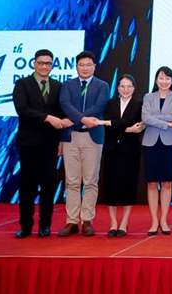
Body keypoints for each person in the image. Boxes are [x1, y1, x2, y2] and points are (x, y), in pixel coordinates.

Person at [13, 49, 72, 238]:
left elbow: (62, 113)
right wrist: (47, 118)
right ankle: (26, 226)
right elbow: (22, 109)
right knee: (27, 186)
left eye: (48, 63)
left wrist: (62, 138)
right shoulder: (23, 84)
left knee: (48, 186)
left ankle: (45, 225)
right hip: (28, 143)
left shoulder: (58, 86)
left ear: (52, 65)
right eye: (41, 62)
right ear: (34, 63)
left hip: (50, 143)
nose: (44, 66)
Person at [58, 50, 109, 237]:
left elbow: (99, 106)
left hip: (92, 137)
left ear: (94, 66)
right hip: (70, 137)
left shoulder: (102, 86)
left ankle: (87, 220)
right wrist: (82, 120)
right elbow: (65, 104)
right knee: (72, 181)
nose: (85, 68)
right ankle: (71, 221)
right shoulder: (67, 85)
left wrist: (76, 119)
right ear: (76, 66)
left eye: (89, 65)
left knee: (90, 181)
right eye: (81, 65)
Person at [141, 66, 172, 236]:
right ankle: (154, 221)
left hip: (170, 144)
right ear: (156, 80)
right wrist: (165, 123)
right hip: (151, 144)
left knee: (167, 183)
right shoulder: (148, 97)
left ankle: (164, 220)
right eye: (161, 78)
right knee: (152, 183)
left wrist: (154, 119)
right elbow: (145, 117)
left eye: (167, 78)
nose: (164, 81)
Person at [101, 74, 144, 237]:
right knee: (110, 185)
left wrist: (113, 125)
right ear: (117, 88)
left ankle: (124, 222)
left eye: (129, 86)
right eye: (122, 86)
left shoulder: (139, 104)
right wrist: (127, 129)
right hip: (112, 149)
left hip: (130, 149)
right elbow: (108, 125)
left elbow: (132, 121)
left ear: (134, 88)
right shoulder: (110, 103)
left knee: (129, 185)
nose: (125, 90)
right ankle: (113, 223)